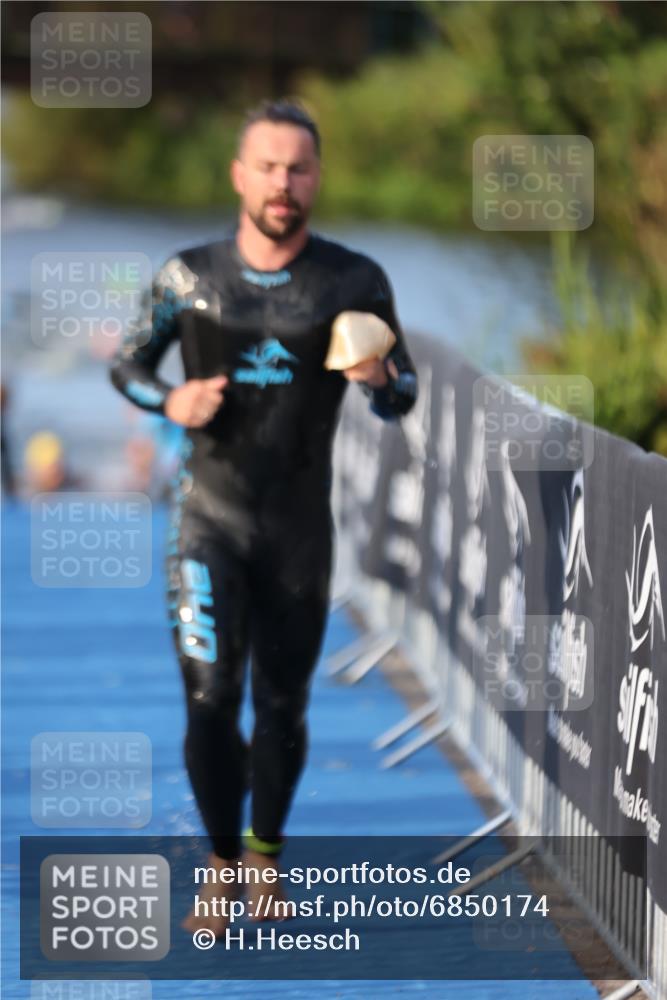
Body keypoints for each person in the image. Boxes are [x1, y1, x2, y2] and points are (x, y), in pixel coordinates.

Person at [109, 98, 417, 936]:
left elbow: (404, 392)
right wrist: (169, 395)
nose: (284, 183)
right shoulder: (187, 276)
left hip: (296, 534)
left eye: (300, 168)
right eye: (269, 166)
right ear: (240, 174)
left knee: (282, 706)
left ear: (317, 178)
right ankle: (218, 865)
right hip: (205, 520)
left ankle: (263, 856)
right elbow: (127, 364)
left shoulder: (352, 282)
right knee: (211, 698)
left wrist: (380, 383)